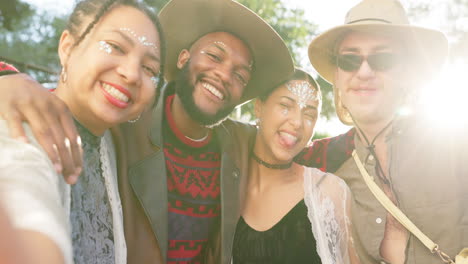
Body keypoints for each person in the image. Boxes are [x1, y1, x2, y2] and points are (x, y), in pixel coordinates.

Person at [0, 0, 294, 263]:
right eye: (215, 56)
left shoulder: (241, 144)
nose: (130, 73)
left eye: (149, 69)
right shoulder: (123, 126)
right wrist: (6, 77)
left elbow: (298, 153)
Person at [296, 0, 468, 263]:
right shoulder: (321, 164)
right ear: (338, 76)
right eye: (350, 59)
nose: (364, 71)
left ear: (409, 71)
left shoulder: (456, 144)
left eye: (383, 58)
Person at [0, 0, 164, 263]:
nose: (132, 74)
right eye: (115, 46)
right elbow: (25, 203)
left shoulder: (117, 145)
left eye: (149, 69)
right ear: (68, 47)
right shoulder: (19, 127)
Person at [231, 68, 359, 264]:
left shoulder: (329, 192)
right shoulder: (224, 184)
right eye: (285, 106)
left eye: (309, 115)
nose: (298, 122)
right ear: (259, 107)